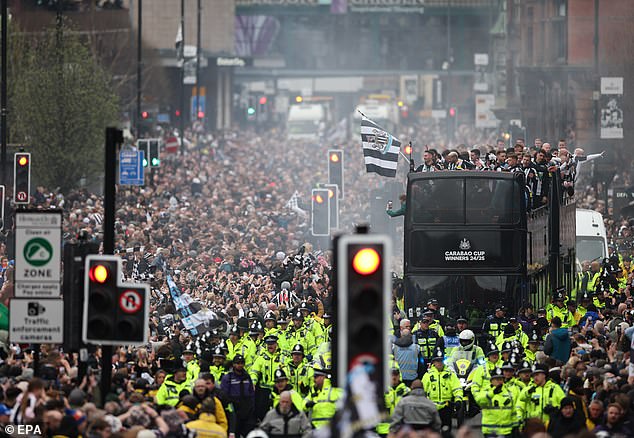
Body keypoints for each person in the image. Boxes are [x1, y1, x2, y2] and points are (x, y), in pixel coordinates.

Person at [422, 348, 463, 437]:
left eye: (441, 360)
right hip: (432, 409)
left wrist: (458, 399)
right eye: (437, 361)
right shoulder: (428, 375)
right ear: (433, 362)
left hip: (446, 408)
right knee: (433, 434)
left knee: (446, 432)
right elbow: (422, 391)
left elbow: (457, 388)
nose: (439, 363)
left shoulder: (450, 374)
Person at [474, 367, 518, 437]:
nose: (499, 381)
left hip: (506, 431)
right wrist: (493, 393)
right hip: (490, 431)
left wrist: (516, 426)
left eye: (500, 379)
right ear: (491, 381)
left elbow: (513, 411)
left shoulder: (509, 392)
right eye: (496, 379)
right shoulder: (486, 391)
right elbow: (480, 401)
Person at [220, 354, 256, 437]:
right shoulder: (228, 378)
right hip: (234, 411)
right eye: (238, 363)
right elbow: (224, 395)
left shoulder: (247, 376)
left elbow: (251, 393)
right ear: (233, 364)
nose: (240, 365)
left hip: (247, 410)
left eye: (242, 363)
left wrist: (252, 408)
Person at [303, 360, 342, 430]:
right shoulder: (313, 390)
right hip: (315, 430)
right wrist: (307, 404)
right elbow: (302, 406)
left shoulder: (334, 390)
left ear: (323, 377)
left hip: (330, 431)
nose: (313, 379)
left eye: (316, 377)